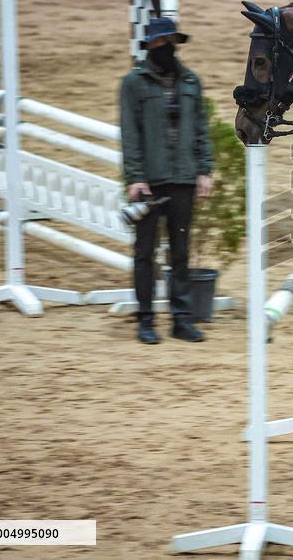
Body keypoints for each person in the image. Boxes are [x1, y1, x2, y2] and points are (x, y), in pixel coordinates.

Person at [120, 17, 214, 344]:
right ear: (150, 46)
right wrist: (134, 178)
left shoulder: (191, 82)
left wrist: (204, 170)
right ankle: (145, 320)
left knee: (181, 251)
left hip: (184, 178)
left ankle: (181, 318)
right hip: (149, 181)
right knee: (144, 252)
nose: (165, 47)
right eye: (159, 43)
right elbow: (130, 134)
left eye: (169, 41)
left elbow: (202, 129)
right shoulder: (133, 84)